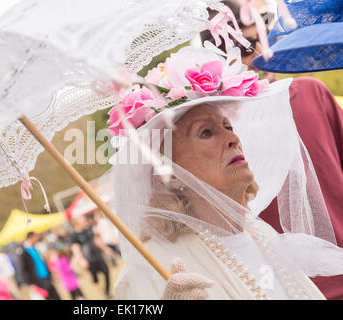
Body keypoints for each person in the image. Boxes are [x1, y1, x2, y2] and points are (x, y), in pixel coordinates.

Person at [109, 41, 343, 299]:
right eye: (206, 132)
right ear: (171, 173)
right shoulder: (152, 269)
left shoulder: (262, 234)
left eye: (228, 127)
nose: (232, 139)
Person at [201, 0, 343, 300]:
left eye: (265, 34)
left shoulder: (311, 92)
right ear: (221, 58)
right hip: (286, 291)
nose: (262, 52)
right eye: (247, 44)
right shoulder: (216, 134)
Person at [70, 215, 114, 299]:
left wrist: (105, 249)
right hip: (88, 259)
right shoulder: (74, 236)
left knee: (106, 271)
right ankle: (102, 295)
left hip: (97, 256)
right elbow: (75, 249)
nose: (83, 220)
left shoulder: (88, 230)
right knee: (95, 278)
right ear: (76, 222)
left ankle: (107, 292)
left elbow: (96, 240)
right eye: (81, 218)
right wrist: (81, 260)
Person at [19, 232, 61, 300]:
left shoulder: (35, 248)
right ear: (31, 237)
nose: (37, 238)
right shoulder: (23, 252)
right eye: (35, 237)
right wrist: (30, 283)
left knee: (56, 296)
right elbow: (23, 269)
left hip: (46, 276)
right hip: (38, 281)